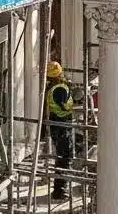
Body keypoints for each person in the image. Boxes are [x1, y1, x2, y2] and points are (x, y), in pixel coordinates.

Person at [45, 61, 74, 200]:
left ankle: (59, 189)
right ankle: (60, 191)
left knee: (62, 157)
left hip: (57, 124)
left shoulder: (52, 87)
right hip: (62, 125)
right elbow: (64, 106)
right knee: (65, 158)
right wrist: (71, 104)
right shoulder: (60, 89)